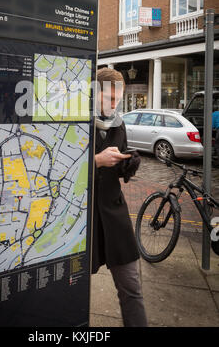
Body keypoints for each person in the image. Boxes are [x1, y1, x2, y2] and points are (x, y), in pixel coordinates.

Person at [92, 67, 148, 327]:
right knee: (71, 290)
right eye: (109, 98)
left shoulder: (119, 123)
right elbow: (60, 169)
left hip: (115, 216)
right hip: (83, 220)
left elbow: (119, 160)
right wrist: (96, 161)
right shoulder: (76, 121)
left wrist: (128, 164)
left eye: (118, 99)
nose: (114, 105)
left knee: (132, 288)